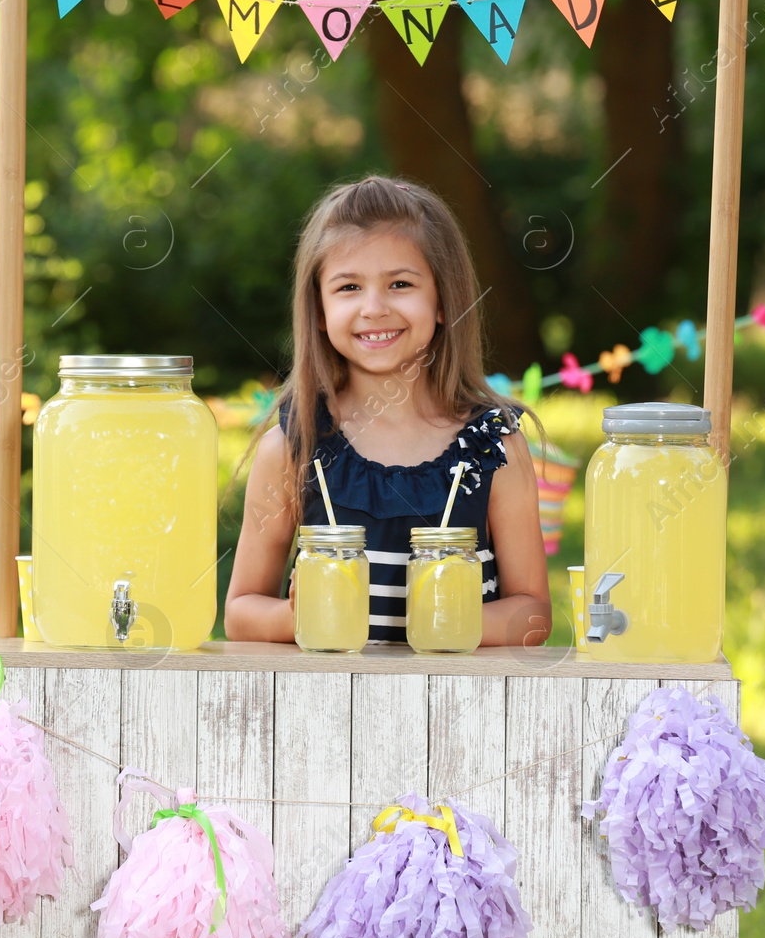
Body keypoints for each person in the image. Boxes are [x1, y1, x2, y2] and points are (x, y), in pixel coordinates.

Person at [224, 174, 551, 647]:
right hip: (333, 712)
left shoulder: (493, 446)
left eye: (400, 283)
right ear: (317, 308)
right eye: (348, 287)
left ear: (443, 299)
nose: (374, 308)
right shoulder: (295, 447)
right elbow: (240, 611)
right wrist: (304, 616)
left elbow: (535, 616)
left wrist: (442, 620)